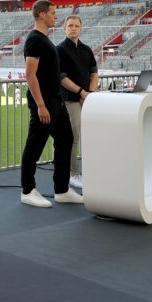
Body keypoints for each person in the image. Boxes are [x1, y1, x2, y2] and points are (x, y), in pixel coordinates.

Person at [20, 0, 83, 208]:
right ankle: (27, 191)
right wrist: (40, 105)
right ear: (42, 15)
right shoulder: (34, 40)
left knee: (66, 140)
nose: (56, 16)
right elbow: (30, 75)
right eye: (53, 12)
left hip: (57, 103)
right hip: (44, 105)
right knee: (34, 147)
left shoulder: (44, 39)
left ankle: (62, 190)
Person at [57, 15, 99, 189]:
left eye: (76, 26)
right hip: (71, 100)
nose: (73, 28)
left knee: (88, 136)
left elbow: (94, 74)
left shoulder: (87, 50)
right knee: (72, 137)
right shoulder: (59, 50)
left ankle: (87, 169)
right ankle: (72, 173)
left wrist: (90, 94)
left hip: (87, 100)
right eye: (70, 25)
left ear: (81, 28)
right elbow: (62, 78)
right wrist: (82, 93)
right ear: (65, 28)